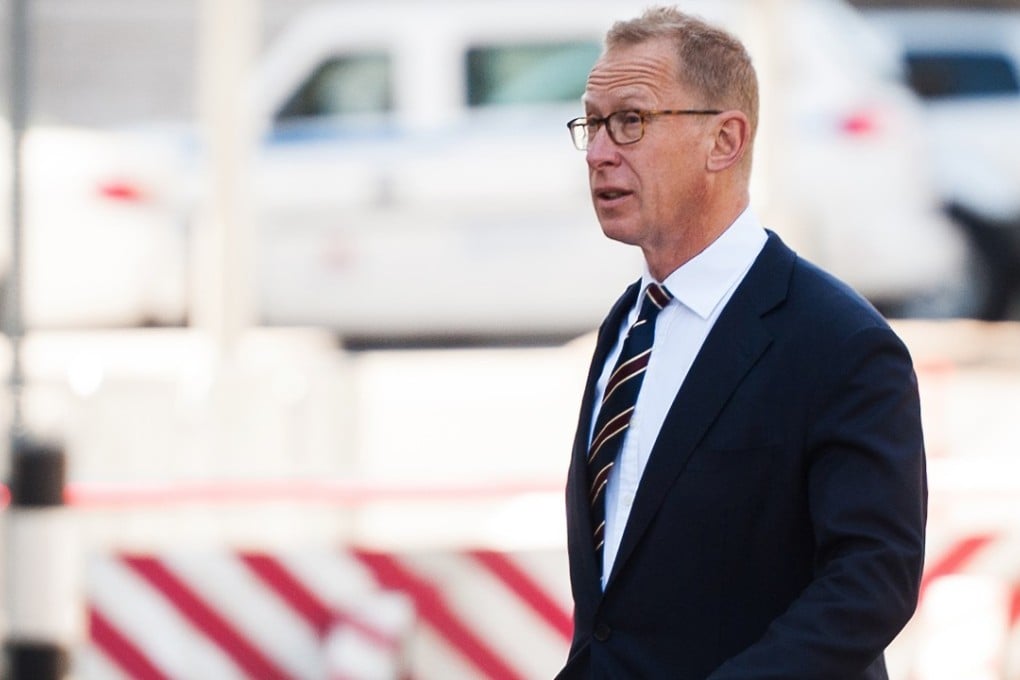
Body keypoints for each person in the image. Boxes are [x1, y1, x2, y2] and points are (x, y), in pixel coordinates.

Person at [558, 6, 927, 679]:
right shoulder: (627, 325)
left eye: (631, 121)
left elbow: (871, 584)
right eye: (593, 123)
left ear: (724, 140)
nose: (599, 152)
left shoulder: (840, 343)